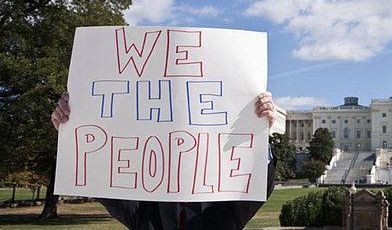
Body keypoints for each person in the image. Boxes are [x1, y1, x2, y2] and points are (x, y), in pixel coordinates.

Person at [52, 91, 278, 230]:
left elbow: (257, 186)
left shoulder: (224, 208)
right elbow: (100, 180)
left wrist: (258, 134)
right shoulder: (145, 209)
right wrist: (72, 129)